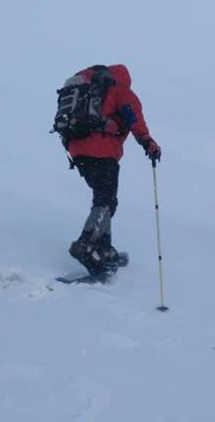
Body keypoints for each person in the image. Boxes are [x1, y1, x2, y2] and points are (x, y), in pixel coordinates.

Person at [63, 64, 161, 276]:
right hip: (102, 151)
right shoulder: (121, 91)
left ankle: (104, 248)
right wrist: (148, 143)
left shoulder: (89, 86)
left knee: (103, 198)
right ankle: (86, 243)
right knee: (106, 200)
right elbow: (134, 119)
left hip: (77, 150)